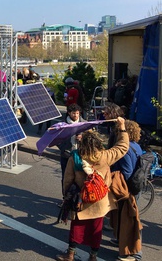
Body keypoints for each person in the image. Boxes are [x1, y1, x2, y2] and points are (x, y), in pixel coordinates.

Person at [56, 118, 129, 261]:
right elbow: (123, 147)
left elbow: (68, 180)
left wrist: (66, 196)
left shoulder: (75, 157)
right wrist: (122, 127)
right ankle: (93, 257)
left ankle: (70, 255)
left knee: (77, 227)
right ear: (98, 142)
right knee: (96, 229)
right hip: (99, 200)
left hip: (81, 200)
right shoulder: (105, 156)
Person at [110, 120, 143, 260]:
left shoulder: (126, 148)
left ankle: (134, 253)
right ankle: (121, 240)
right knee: (126, 218)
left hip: (126, 188)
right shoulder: (136, 146)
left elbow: (127, 172)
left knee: (129, 221)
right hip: (135, 186)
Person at [57, 104, 85, 189]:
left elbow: (90, 138)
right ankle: (65, 197)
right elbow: (56, 139)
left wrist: (83, 138)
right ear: (69, 113)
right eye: (73, 113)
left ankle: (78, 198)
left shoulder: (84, 124)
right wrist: (64, 149)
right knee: (66, 178)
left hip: (80, 155)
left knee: (80, 177)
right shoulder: (62, 125)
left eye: (77, 113)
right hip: (67, 155)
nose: (76, 115)